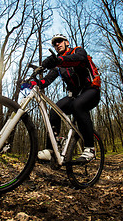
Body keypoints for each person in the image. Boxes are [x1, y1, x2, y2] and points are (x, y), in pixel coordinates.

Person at [35, 34, 100, 162]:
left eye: (59, 41)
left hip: (91, 90)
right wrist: (32, 82)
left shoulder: (78, 51)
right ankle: (51, 149)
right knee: (55, 109)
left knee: (78, 106)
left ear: (67, 42)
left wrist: (59, 60)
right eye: (54, 44)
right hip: (74, 96)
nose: (57, 45)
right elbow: (47, 80)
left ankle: (90, 149)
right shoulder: (58, 64)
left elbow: (78, 58)